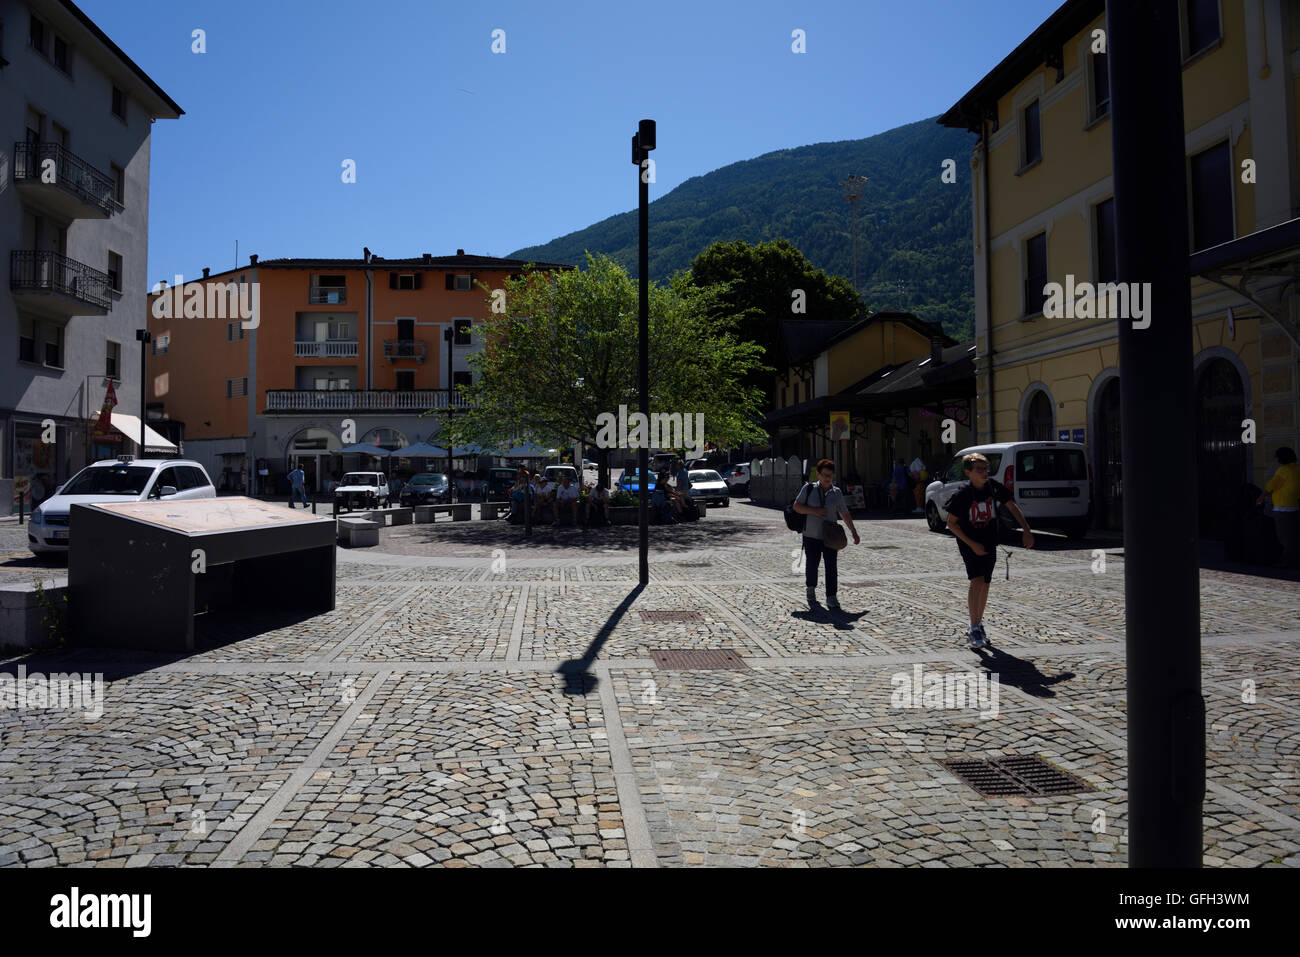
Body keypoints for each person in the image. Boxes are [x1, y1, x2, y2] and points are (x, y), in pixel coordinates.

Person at [943, 452, 1034, 649]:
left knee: (985, 582)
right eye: (979, 469)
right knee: (976, 580)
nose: (985, 472)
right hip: (970, 543)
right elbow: (951, 524)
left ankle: (978, 623)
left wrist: (1026, 530)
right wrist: (972, 544)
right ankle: (974, 625)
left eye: (986, 469)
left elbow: (1011, 505)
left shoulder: (993, 487)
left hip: (989, 541)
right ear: (968, 472)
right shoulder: (963, 494)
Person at [792, 458, 861, 610]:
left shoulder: (836, 492)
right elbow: (797, 506)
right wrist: (814, 511)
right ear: (818, 474)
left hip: (830, 536)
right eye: (824, 475)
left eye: (830, 475)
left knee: (831, 567)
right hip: (811, 534)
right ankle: (810, 589)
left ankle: (831, 596)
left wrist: (853, 532)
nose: (827, 478)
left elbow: (844, 513)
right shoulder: (808, 489)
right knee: (812, 565)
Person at [1258, 446, 1299, 568]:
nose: (1274, 458)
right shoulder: (1295, 469)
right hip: (1293, 507)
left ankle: (1287, 563)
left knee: (1284, 537)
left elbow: (1272, 485)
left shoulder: (1283, 470)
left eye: (1276, 456)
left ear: (1280, 458)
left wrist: (1261, 497)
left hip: (1283, 508)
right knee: (1293, 536)